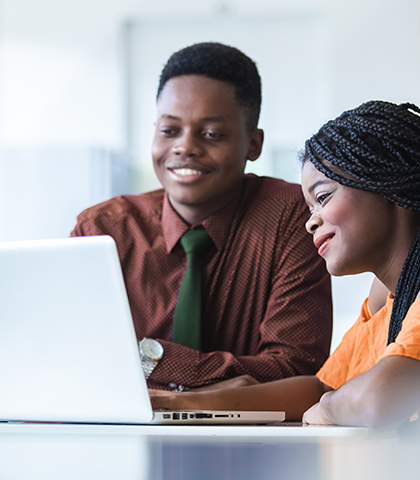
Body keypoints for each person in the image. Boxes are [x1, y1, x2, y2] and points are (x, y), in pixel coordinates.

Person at [150, 100, 420, 433]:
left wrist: (325, 411)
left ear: (391, 186)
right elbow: (326, 384)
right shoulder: (387, 294)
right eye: (308, 207)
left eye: (323, 198)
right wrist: (182, 402)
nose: (309, 220)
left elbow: (373, 401)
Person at [71, 42, 332, 391]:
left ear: (253, 144)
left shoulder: (292, 216)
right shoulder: (102, 229)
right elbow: (75, 357)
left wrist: (147, 358)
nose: (185, 147)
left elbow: (293, 369)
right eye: (169, 130)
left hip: (254, 442)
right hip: (122, 437)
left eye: (212, 134)